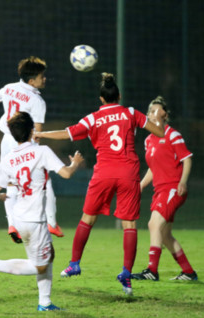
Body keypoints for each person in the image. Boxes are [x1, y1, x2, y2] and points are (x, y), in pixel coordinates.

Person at [34, 73, 164, 296]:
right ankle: (126, 274)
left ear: (101, 99)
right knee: (129, 225)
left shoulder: (93, 118)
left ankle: (74, 264)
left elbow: (66, 133)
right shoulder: (131, 113)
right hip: (128, 172)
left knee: (88, 219)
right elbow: (159, 132)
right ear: (119, 96)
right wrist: (154, 120)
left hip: (103, 172)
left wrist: (40, 133)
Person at [0, 112, 84, 311]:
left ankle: (45, 302)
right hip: (34, 220)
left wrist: (0, 196)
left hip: (19, 218)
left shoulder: (8, 159)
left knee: (48, 254)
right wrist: (75, 163)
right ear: (31, 131)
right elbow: (67, 174)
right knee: (40, 265)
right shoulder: (41, 151)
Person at [0, 56, 64, 242]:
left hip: (7, 141)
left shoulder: (9, 87)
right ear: (31, 80)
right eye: (42, 76)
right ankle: (51, 223)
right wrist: (38, 153)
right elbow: (38, 131)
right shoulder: (37, 101)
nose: (45, 79)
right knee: (45, 181)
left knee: (11, 182)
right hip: (25, 141)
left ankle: (12, 223)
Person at [131, 96, 198, 281]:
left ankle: (152, 270)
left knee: (154, 224)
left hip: (172, 189)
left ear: (165, 115)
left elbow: (187, 159)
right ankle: (188, 272)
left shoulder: (172, 134)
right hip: (160, 190)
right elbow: (153, 168)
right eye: (149, 111)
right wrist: (141, 185)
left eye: (155, 110)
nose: (151, 113)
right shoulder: (149, 141)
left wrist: (182, 182)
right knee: (165, 234)